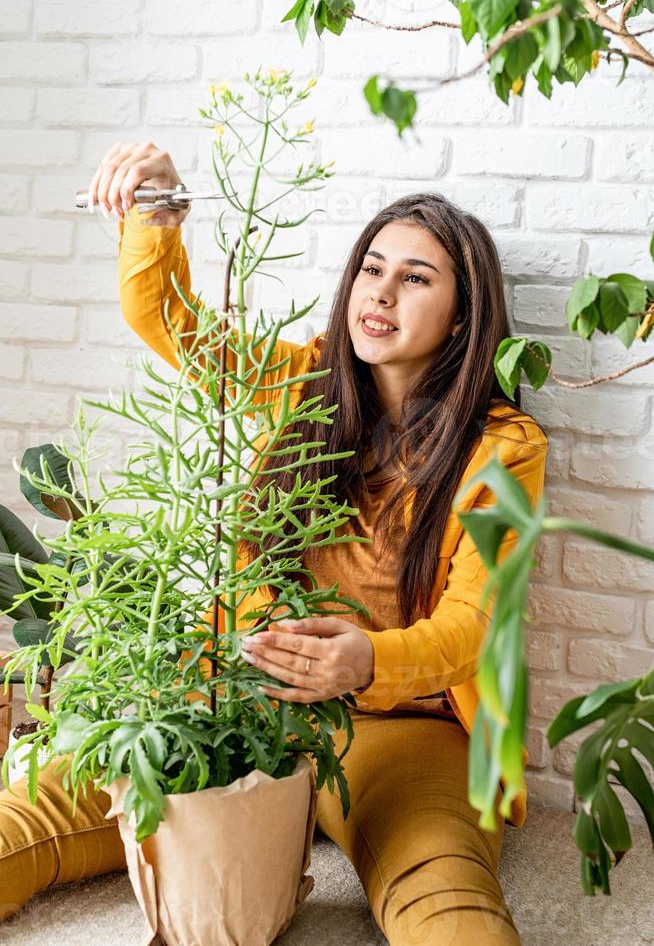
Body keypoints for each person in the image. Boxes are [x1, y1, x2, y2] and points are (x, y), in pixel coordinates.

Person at [0, 142, 548, 944]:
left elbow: (477, 623)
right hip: (240, 697)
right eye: (372, 268)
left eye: (416, 278)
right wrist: (159, 209)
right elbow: (169, 320)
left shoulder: (504, 445)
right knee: (34, 810)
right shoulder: (303, 384)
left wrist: (369, 659)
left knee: (444, 898)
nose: (382, 293)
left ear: (463, 315)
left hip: (407, 725)